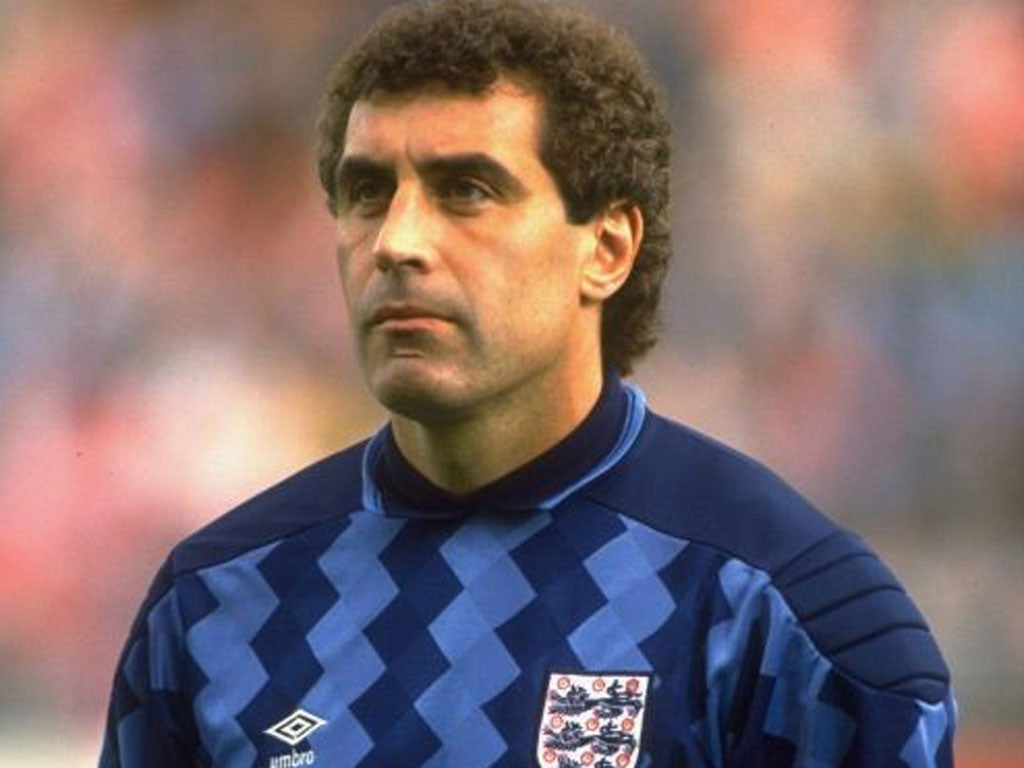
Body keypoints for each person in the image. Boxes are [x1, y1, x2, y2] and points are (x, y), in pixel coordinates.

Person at [98, 1, 956, 766]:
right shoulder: (216, 604)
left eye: (466, 190)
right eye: (367, 192)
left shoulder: (790, 616)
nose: (397, 242)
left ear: (607, 248)